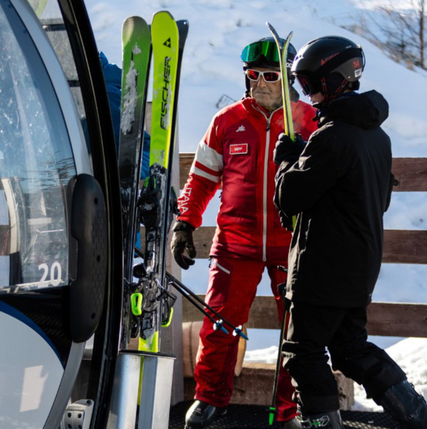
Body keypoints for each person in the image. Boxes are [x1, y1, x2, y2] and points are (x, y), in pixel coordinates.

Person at [273, 36, 427, 429]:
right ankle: (421, 418)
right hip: (358, 266)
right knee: (350, 348)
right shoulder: (375, 136)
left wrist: (286, 161)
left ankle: (321, 423)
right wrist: (305, 160)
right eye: (301, 84)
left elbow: (290, 196)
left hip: (323, 268)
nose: (307, 93)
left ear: (333, 80)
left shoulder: (332, 136)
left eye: (310, 83)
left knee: (302, 351)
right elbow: (375, 199)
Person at [170, 36, 318, 429]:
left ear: (287, 77)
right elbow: (201, 180)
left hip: (293, 246)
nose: (260, 83)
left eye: (270, 75)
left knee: (296, 332)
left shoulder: (309, 120)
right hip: (236, 244)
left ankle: (287, 410)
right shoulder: (227, 121)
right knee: (220, 324)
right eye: (253, 75)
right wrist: (185, 224)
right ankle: (210, 399)